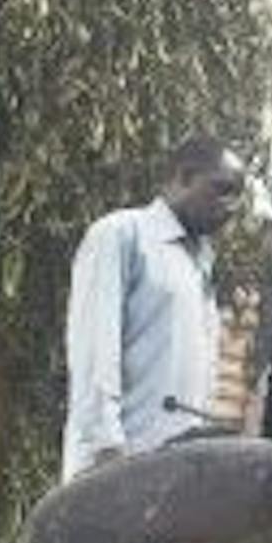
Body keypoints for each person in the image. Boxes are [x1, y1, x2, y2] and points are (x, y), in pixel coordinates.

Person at [61, 136, 245, 480]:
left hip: (171, 477)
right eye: (223, 190)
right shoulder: (121, 235)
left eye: (238, 196)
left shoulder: (200, 261)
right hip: (115, 467)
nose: (232, 206)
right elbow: (94, 351)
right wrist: (107, 451)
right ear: (185, 177)